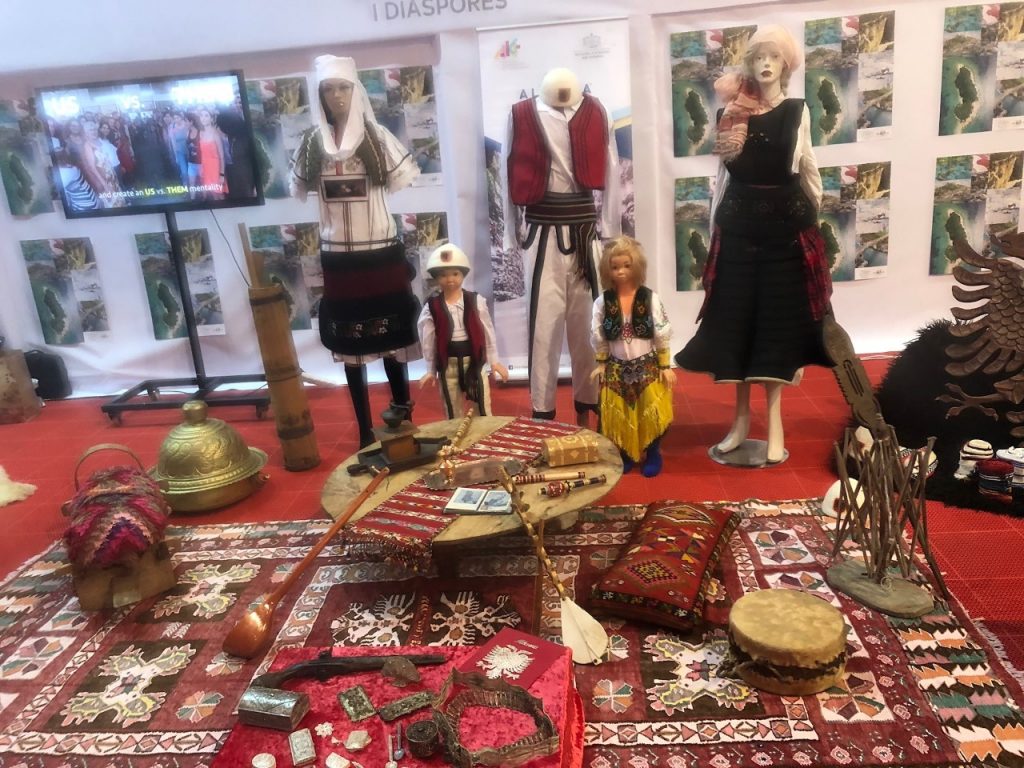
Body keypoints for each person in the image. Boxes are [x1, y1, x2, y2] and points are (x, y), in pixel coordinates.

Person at [674, 24, 832, 466]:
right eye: (758, 57)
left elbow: (806, 164)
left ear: (786, 64)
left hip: (784, 233)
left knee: (776, 329)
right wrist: (715, 227)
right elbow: (723, 177)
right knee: (738, 326)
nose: (765, 64)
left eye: (773, 57)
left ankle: (775, 424)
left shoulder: (797, 111)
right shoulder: (730, 114)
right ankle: (740, 422)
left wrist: (811, 217)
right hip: (739, 233)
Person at [291, 55, 421, 447]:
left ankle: (402, 420)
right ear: (319, 95)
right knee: (350, 345)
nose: (337, 96)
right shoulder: (311, 143)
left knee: (392, 338)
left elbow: (401, 178)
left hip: (380, 252)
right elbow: (299, 184)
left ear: (356, 89)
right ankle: (364, 432)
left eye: (343, 87)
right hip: (339, 257)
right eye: (328, 89)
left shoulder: (378, 138)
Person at [505, 67, 620, 426]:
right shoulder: (520, 114)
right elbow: (508, 169)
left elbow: (612, 168)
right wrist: (511, 232)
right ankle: (543, 414)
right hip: (541, 235)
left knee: (589, 324)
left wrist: (610, 230)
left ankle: (589, 406)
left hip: (585, 234)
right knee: (543, 326)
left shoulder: (598, 111)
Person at [591, 237, 675, 477]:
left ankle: (653, 452)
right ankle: (626, 452)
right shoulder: (603, 302)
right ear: (607, 269)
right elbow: (598, 334)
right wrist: (601, 363)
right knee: (619, 414)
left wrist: (665, 365)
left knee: (651, 412)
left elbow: (661, 331)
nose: (621, 271)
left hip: (647, 367)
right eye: (615, 267)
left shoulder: (649, 298)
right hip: (616, 368)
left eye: (627, 266)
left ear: (636, 266)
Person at [417, 243, 509, 419]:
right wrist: (430, 369)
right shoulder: (432, 307)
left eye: (455, 273)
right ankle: (455, 434)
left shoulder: (476, 301)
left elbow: (487, 331)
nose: (450, 279)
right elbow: (428, 339)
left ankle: (483, 434)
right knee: (452, 411)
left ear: (463, 275)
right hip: (448, 365)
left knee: (482, 408)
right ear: (436, 277)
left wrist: (494, 361)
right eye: (443, 275)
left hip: (474, 362)